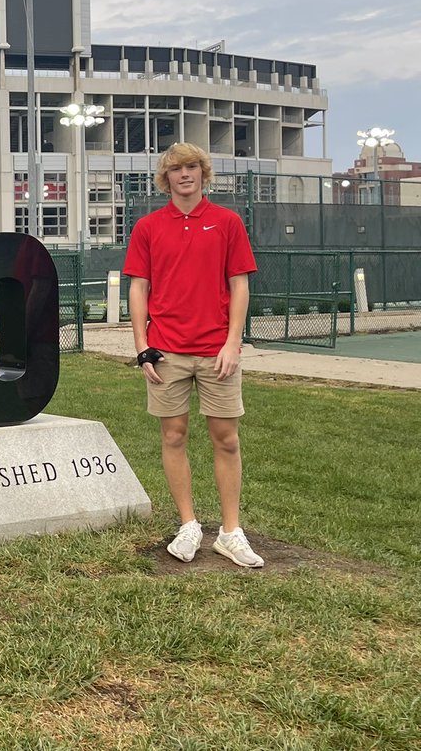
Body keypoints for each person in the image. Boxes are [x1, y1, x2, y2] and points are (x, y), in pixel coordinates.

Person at [123, 143, 264, 567]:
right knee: (173, 436)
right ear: (165, 179)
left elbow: (239, 285)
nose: (185, 175)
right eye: (176, 169)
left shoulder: (226, 222)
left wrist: (232, 343)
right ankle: (188, 525)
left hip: (216, 350)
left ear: (204, 174)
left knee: (227, 439)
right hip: (166, 351)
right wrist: (141, 346)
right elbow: (138, 288)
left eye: (192, 167)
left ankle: (230, 532)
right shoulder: (148, 227)